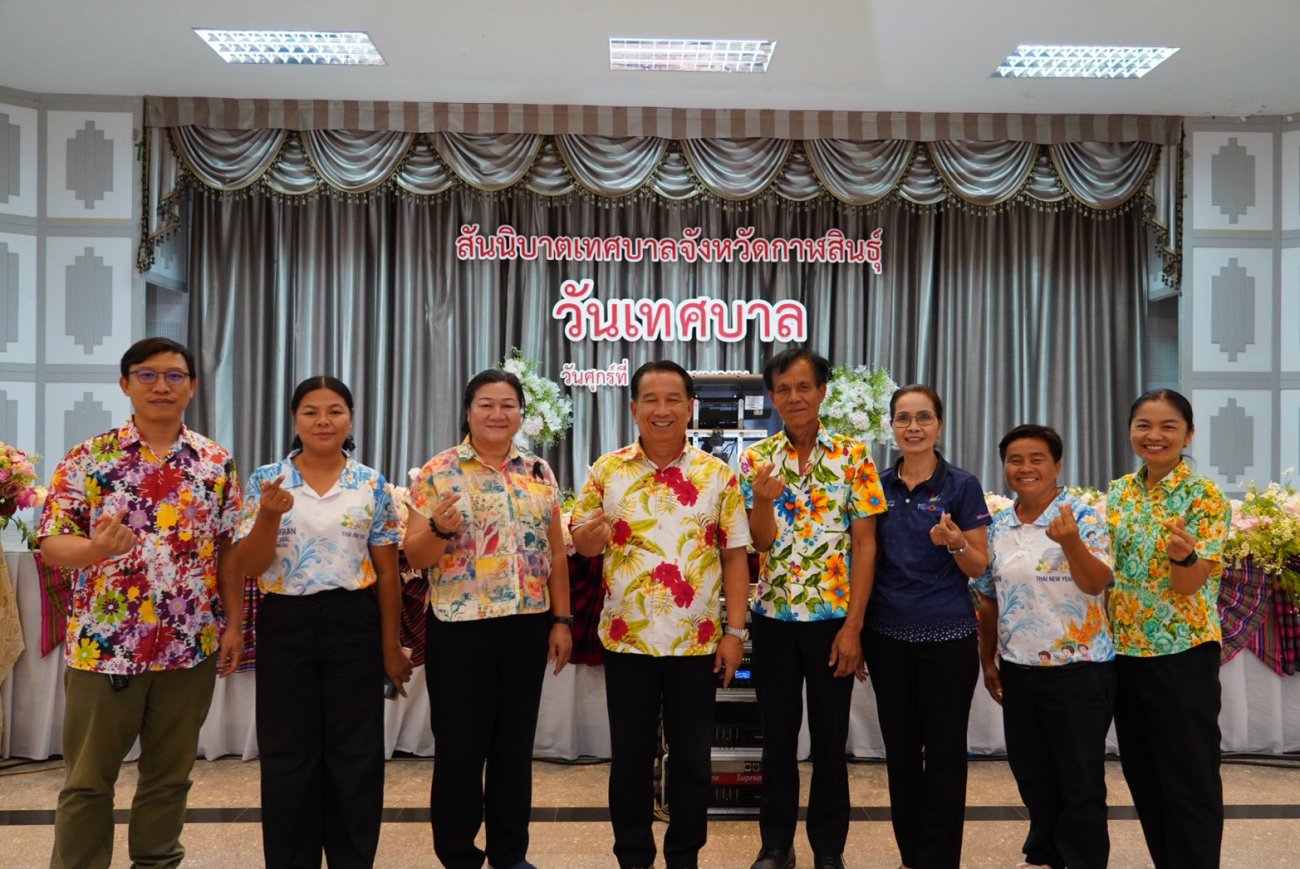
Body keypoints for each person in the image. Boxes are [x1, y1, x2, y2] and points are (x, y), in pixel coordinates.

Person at [37, 337, 244, 869]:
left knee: (169, 778)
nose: (161, 386)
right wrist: (96, 549)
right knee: (87, 781)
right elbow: (53, 543)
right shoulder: (89, 458)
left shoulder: (216, 462)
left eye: (174, 376)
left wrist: (234, 625)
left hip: (189, 644)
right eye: (147, 375)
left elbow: (229, 551)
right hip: (105, 647)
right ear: (125, 384)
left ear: (192, 387)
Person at [570, 360, 751, 869]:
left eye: (673, 399)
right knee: (629, 761)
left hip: (697, 643)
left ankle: (684, 856)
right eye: (650, 399)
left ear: (690, 407)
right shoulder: (606, 471)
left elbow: (735, 556)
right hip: (627, 641)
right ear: (633, 408)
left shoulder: (717, 475)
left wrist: (735, 632)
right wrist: (588, 537)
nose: (662, 409)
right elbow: (584, 543)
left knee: (693, 761)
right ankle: (633, 856)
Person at [235, 376, 410, 868]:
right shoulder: (268, 480)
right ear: (295, 420)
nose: (323, 421)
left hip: (353, 620)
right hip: (285, 621)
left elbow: (387, 572)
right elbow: (249, 566)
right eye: (310, 411)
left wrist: (390, 646)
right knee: (288, 754)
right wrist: (268, 516)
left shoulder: (371, 483)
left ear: (350, 419)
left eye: (335, 411)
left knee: (356, 754)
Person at [404, 368, 573, 869]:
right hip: (460, 627)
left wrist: (562, 620)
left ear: (521, 413)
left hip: (526, 624)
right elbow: (415, 554)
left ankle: (509, 853)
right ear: (468, 411)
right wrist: (438, 528)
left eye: (507, 405)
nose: (497, 414)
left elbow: (556, 553)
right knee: (460, 748)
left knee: (513, 748)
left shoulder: (539, 471)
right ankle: (457, 854)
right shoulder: (438, 472)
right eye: (486, 404)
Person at [737, 349, 886, 869]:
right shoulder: (756, 459)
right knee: (776, 741)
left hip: (833, 622)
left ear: (822, 391)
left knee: (829, 742)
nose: (794, 397)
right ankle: (775, 846)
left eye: (804, 387)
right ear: (772, 396)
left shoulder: (853, 455)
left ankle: (828, 850)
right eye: (783, 389)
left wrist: (855, 627)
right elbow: (758, 544)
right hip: (774, 619)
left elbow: (866, 544)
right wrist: (762, 501)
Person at [972, 424, 1115, 869]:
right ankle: (1045, 853)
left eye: (1037, 459)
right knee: (1032, 772)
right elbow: (988, 598)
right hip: (1019, 667)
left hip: (1080, 669)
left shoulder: (1082, 517)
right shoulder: (999, 526)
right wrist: (988, 661)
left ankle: (1084, 859)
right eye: (1015, 460)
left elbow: (1096, 583)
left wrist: (1070, 542)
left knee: (1079, 778)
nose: (1025, 468)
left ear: (1057, 465)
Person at [864, 384, 991, 869]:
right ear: (891, 426)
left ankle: (938, 860)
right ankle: (911, 856)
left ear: (939, 424)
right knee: (899, 754)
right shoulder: (876, 485)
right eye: (903, 418)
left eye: (923, 417)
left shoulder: (961, 485)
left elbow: (979, 566)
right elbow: (864, 560)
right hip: (886, 637)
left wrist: (956, 542)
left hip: (947, 639)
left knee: (944, 756)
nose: (913, 427)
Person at [1108, 390, 1229, 869]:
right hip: (1124, 652)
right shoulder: (1119, 491)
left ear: (1189, 435)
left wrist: (1185, 557)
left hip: (1182, 652)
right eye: (1143, 425)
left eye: (1168, 426)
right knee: (1143, 774)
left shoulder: (1204, 496)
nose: (1154, 436)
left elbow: (1190, 585)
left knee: (1189, 777)